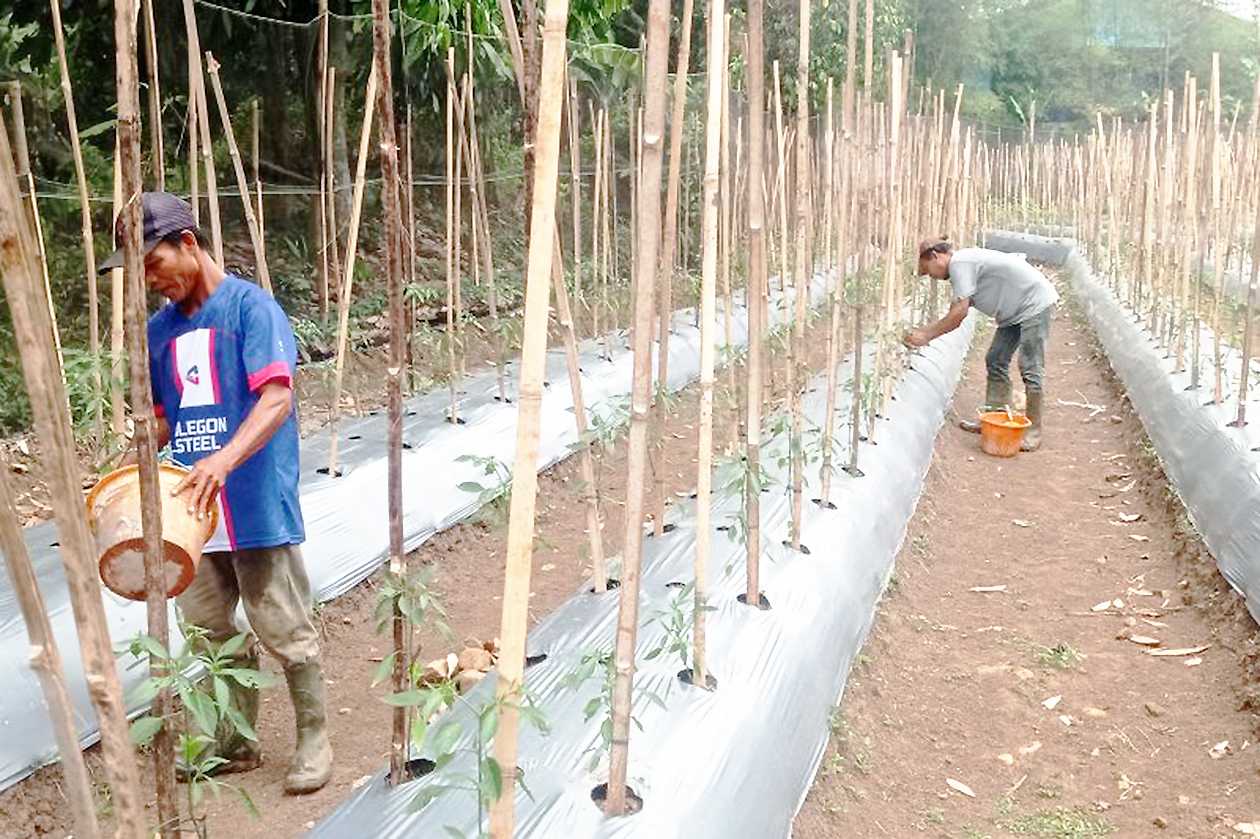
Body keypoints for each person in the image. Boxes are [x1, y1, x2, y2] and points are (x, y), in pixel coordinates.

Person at [101, 192, 332, 794]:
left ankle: (314, 739)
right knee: (206, 629)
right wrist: (136, 449)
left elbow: (276, 398)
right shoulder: (158, 333)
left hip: (251, 500)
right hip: (189, 516)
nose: (149, 281)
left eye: (153, 263)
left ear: (189, 245)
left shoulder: (251, 310)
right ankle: (236, 742)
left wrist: (224, 460)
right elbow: (161, 420)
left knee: (282, 623)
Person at [903, 239, 1058, 451]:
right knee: (996, 359)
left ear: (934, 256)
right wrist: (926, 331)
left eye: (928, 271)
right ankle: (994, 418)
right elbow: (955, 308)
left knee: (1030, 367)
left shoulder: (960, 263)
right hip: (1014, 312)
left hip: (1033, 305)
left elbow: (958, 314)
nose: (933, 277)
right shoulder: (963, 264)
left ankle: (1033, 433)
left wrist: (926, 335)